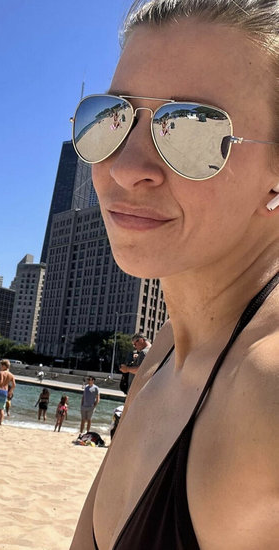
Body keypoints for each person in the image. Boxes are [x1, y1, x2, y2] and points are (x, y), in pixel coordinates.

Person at [69, 1, 279, 549]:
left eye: (191, 129)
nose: (125, 168)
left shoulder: (269, 391)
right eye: (112, 117)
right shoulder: (166, 350)